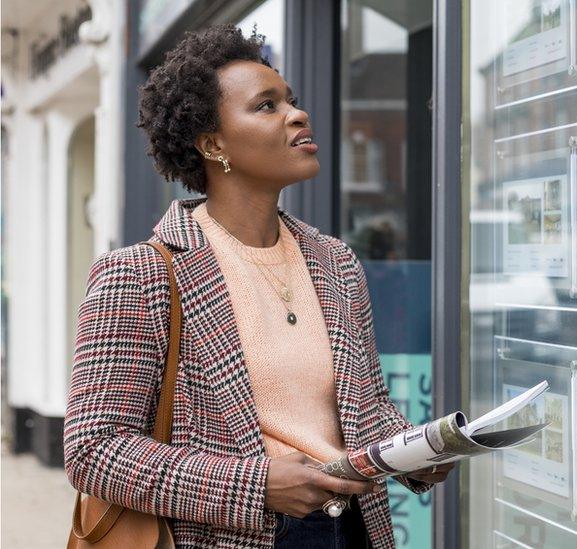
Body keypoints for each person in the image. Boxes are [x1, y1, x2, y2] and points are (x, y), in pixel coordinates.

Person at [63, 25, 452, 549]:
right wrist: (256, 485)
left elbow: (367, 404)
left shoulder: (336, 263)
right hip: (238, 534)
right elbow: (94, 450)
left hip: (356, 525)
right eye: (267, 106)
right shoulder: (140, 274)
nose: (298, 114)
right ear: (212, 143)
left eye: (291, 100)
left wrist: (416, 450)